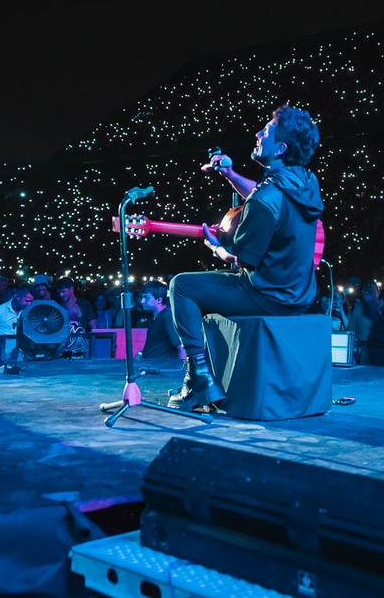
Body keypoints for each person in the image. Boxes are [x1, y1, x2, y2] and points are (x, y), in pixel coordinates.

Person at [167, 105, 323, 410]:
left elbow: (243, 259)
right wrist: (228, 173)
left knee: (182, 286)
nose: (257, 134)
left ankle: (198, 380)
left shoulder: (266, 200)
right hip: (300, 296)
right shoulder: (305, 181)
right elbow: (263, 193)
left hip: (267, 296)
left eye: (265, 131)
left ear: (280, 148)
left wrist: (218, 248)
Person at [136, 282, 183, 360]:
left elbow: (181, 348)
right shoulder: (158, 317)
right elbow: (157, 346)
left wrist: (180, 371)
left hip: (162, 369)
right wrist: (141, 353)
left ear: (159, 300)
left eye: (146, 297)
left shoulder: (168, 317)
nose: (142, 301)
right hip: (152, 367)